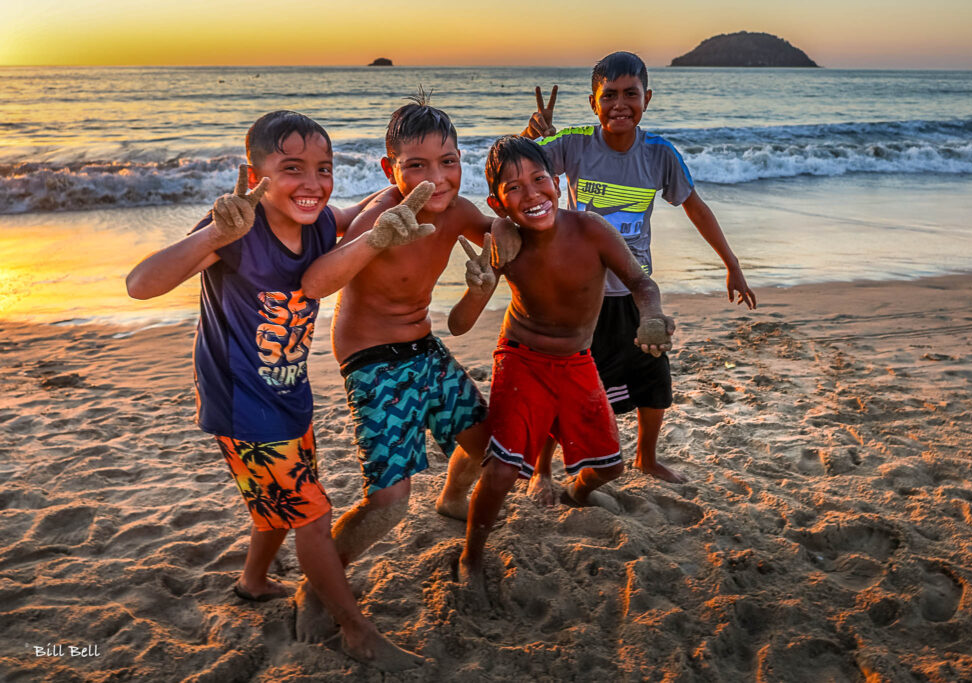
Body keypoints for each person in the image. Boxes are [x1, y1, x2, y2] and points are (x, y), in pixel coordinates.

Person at [125, 110, 422, 671]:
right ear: (253, 173)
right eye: (292, 168)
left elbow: (358, 209)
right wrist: (215, 233)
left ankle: (253, 580)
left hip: (287, 397)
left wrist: (404, 185)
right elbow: (141, 285)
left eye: (324, 168)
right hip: (243, 407)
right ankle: (355, 629)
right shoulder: (237, 233)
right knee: (311, 514)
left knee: (279, 503)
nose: (312, 182)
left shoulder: (317, 225)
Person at [295, 95, 517, 640]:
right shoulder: (380, 217)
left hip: (422, 345)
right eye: (416, 165)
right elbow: (318, 282)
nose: (436, 179)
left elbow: (499, 238)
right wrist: (375, 238)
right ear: (389, 168)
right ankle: (320, 585)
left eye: (448, 162)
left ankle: (451, 499)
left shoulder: (460, 211)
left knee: (488, 449)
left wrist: (502, 243)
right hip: (372, 360)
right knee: (391, 503)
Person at [521, 51, 757, 489]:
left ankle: (646, 459)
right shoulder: (573, 143)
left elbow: (696, 207)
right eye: (608, 95)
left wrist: (732, 263)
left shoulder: (658, 154)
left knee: (653, 376)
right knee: (567, 383)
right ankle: (542, 469)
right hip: (582, 295)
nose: (619, 104)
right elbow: (517, 172)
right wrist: (531, 136)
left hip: (634, 291)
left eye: (630, 94)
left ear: (647, 98)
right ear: (594, 102)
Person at [451, 135, 675, 587]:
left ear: (556, 181)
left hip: (576, 360)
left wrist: (651, 316)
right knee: (501, 471)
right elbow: (458, 325)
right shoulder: (505, 242)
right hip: (521, 358)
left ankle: (574, 491)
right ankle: (471, 556)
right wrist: (478, 289)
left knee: (610, 465)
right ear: (498, 201)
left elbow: (640, 281)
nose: (531, 194)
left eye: (538, 180)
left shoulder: (590, 229)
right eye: (514, 188)